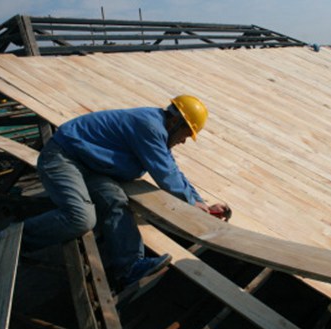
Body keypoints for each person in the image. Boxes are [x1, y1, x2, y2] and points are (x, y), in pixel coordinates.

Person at [22, 95, 230, 288]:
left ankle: (129, 267)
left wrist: (200, 202)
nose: (184, 140)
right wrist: (193, 206)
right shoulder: (149, 126)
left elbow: (173, 169)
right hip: (63, 157)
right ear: (175, 122)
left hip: (90, 165)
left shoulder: (157, 129)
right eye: (186, 134)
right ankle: (19, 237)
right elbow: (166, 174)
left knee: (115, 200)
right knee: (81, 218)